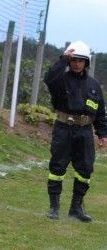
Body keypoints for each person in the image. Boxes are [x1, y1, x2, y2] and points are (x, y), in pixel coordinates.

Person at [43, 40, 106, 222]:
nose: (77, 63)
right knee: (57, 167)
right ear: (70, 61)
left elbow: (100, 113)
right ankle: (54, 207)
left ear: (86, 62)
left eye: (80, 60)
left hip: (85, 132)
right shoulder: (60, 80)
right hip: (63, 130)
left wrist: (102, 134)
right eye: (74, 60)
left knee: (85, 169)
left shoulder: (94, 86)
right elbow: (48, 78)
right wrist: (62, 59)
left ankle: (76, 208)